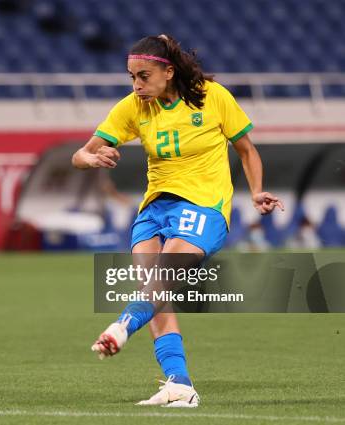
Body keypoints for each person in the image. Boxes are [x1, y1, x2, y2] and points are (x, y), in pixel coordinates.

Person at [71, 34, 284, 407]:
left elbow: (247, 151)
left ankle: (121, 327)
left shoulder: (212, 96)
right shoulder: (132, 108)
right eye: (132, 77)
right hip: (154, 210)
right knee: (157, 294)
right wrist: (92, 158)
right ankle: (179, 385)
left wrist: (256, 191)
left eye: (144, 76)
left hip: (204, 207)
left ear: (168, 72)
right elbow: (80, 155)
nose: (136, 85)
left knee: (159, 280)